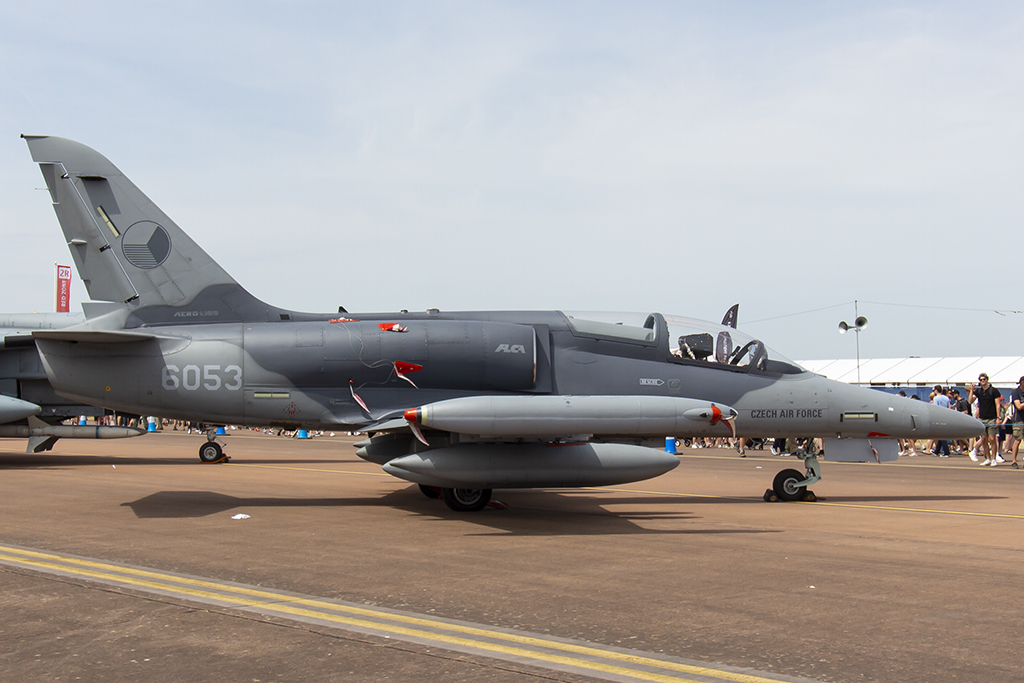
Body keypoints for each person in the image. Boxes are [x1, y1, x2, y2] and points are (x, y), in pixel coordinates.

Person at [969, 374, 1003, 466]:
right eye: (981, 380)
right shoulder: (979, 391)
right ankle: (988, 458)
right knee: (983, 439)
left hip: (992, 418)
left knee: (992, 439)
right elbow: (970, 401)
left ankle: (994, 458)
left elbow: (998, 405)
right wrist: (972, 390)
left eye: (984, 379)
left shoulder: (993, 391)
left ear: (987, 379)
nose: (982, 381)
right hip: (982, 418)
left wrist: (998, 417)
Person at [1006, 377, 1024, 468]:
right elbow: (1019, 406)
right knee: (1017, 440)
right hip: (1019, 420)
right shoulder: (1016, 392)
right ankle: (1014, 461)